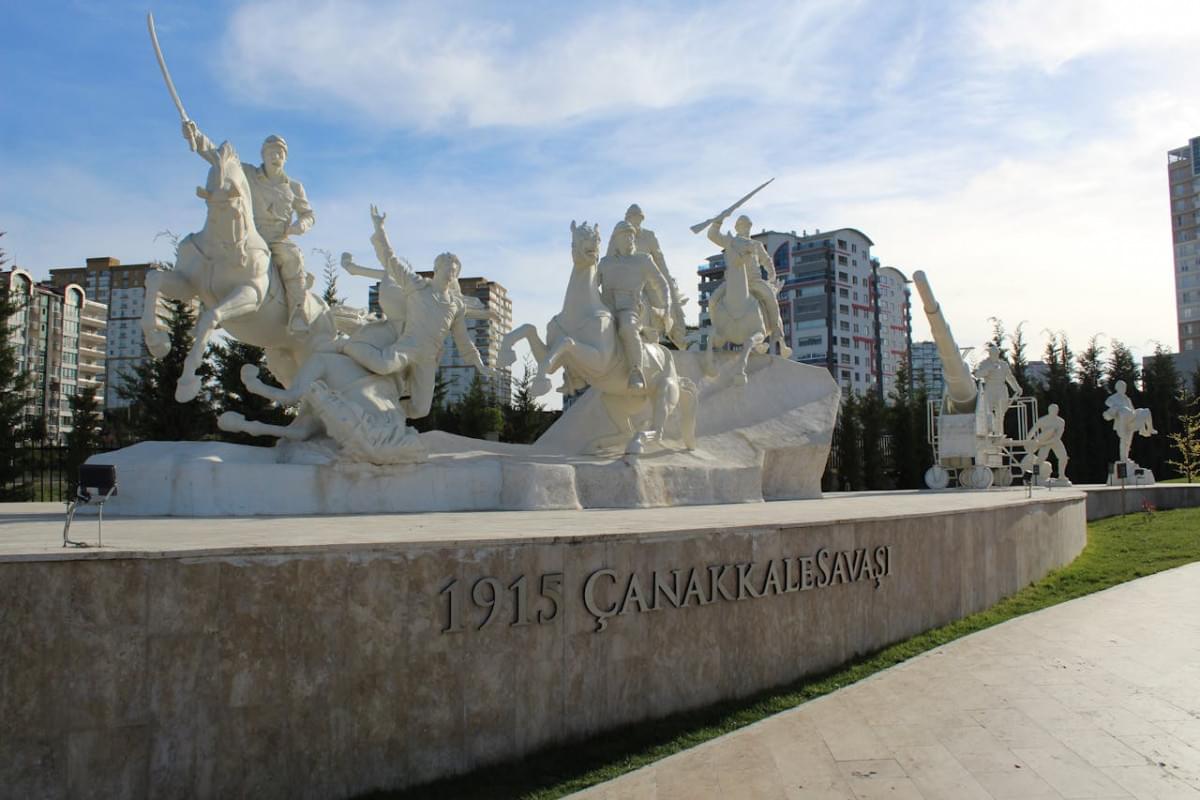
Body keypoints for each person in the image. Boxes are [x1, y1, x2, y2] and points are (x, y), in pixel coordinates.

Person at [337, 205, 490, 419]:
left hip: (427, 359)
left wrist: (479, 363)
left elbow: (463, 340)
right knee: (382, 365)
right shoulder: (417, 286)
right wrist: (380, 229)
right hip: (408, 346)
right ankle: (348, 345)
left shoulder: (456, 305)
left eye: (454, 271)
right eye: (448, 269)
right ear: (437, 269)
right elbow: (390, 260)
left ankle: (388, 416)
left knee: (420, 410)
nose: (451, 274)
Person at [183, 120, 315, 332]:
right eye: (271, 152)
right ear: (262, 155)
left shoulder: (294, 187)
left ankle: (297, 312)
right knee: (213, 250)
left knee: (294, 259)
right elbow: (217, 157)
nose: (275, 156)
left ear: (286, 157)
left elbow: (308, 214)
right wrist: (195, 136)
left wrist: (301, 225)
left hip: (277, 239)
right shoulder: (248, 173)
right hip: (248, 235)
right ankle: (207, 302)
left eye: (280, 153)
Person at [596, 220, 671, 390]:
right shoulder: (605, 263)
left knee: (628, 328)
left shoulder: (643, 260)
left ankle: (636, 371)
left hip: (629, 310)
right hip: (605, 310)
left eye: (631, 236)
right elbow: (591, 286)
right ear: (616, 239)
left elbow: (661, 284)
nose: (630, 239)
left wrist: (666, 306)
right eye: (625, 236)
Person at [705, 213, 791, 358]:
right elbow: (712, 235)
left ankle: (777, 333)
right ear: (737, 227)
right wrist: (717, 222)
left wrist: (771, 273)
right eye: (742, 226)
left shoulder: (756, 245)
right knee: (712, 300)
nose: (746, 229)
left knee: (770, 297)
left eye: (748, 226)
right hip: (733, 281)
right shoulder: (730, 241)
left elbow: (766, 260)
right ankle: (718, 328)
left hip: (753, 281)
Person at [606, 204, 688, 348]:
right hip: (625, 284)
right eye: (633, 219)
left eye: (638, 219)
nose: (636, 222)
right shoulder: (619, 236)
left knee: (667, 304)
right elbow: (609, 261)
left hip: (648, 282)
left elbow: (659, 260)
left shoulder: (649, 236)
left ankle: (677, 334)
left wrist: (667, 280)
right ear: (627, 219)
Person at [1103, 379, 1156, 463]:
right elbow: (1108, 403)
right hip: (1123, 423)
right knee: (1125, 441)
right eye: (1121, 387)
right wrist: (1119, 407)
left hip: (1131, 418)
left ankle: (1148, 430)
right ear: (1117, 387)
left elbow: (1132, 410)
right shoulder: (1113, 398)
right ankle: (1124, 459)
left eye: (1124, 387)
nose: (1124, 388)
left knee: (1146, 411)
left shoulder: (1127, 399)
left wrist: (1138, 414)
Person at [974, 343, 1021, 436]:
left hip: (1001, 389)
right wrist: (988, 369)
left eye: (996, 353)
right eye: (993, 353)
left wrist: (1017, 388)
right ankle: (989, 432)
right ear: (990, 354)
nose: (994, 355)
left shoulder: (1003, 365)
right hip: (990, 388)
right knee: (988, 411)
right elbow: (977, 374)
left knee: (1000, 413)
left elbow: (1009, 377)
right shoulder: (985, 363)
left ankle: (999, 432)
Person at [1020, 403, 1069, 480]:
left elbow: (1057, 437)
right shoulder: (1043, 420)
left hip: (1055, 442)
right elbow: (1033, 430)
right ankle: (1036, 476)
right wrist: (1028, 440)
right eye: (1052, 410)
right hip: (1043, 441)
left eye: (1055, 410)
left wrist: (1042, 443)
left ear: (1057, 411)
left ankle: (1061, 475)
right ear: (1049, 410)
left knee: (1063, 458)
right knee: (1040, 460)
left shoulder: (1060, 421)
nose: (1054, 411)